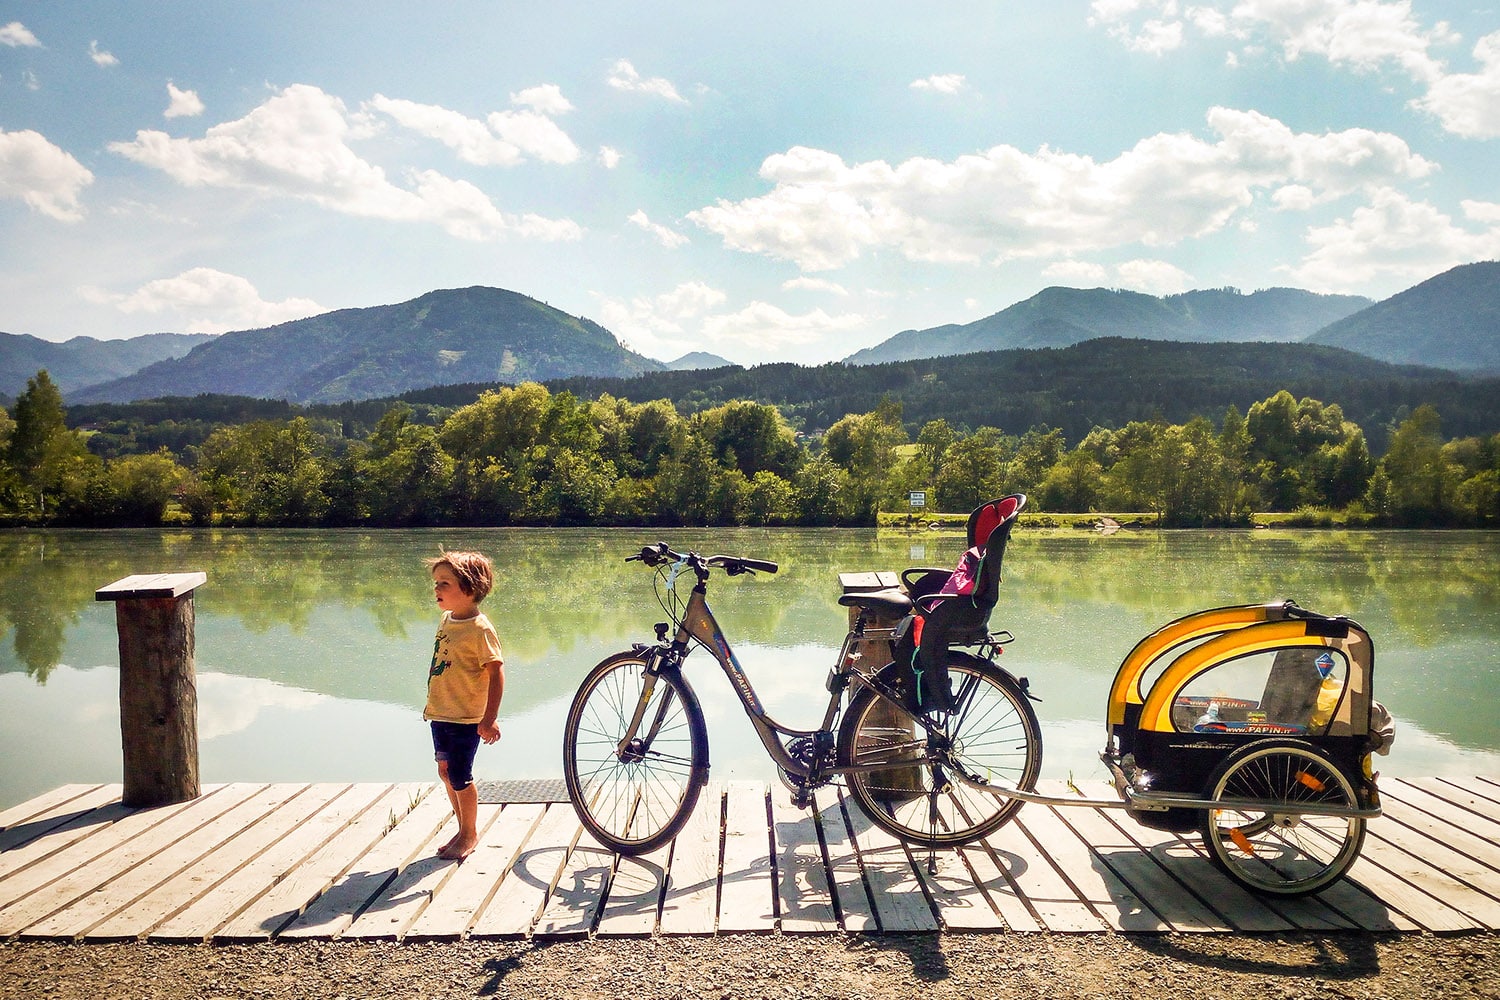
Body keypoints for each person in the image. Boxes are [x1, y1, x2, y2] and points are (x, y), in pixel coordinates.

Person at [423, 550, 504, 861]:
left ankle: (470, 833)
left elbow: (496, 672)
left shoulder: (480, 629)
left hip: (465, 718)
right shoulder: (447, 619)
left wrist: (490, 718)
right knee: (445, 771)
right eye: (436, 583)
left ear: (469, 588)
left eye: (445, 583)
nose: (436, 589)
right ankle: (461, 828)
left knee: (460, 775)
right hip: (440, 712)